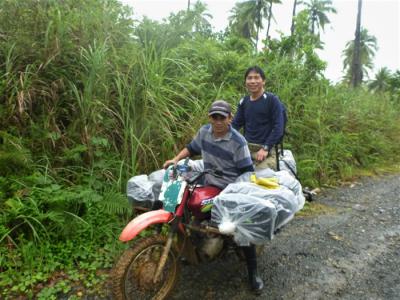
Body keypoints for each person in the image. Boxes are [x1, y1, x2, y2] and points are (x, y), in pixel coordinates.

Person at [163, 100, 264, 293]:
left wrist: (234, 195)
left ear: (230, 118)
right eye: (214, 117)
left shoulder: (238, 142)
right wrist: (175, 160)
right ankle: (189, 248)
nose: (217, 121)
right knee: (187, 203)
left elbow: (246, 173)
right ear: (210, 117)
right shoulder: (204, 132)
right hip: (209, 181)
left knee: (240, 228)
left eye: (222, 117)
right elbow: (191, 149)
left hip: (230, 187)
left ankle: (253, 273)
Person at [232, 66, 286, 170]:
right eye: (249, 78)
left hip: (267, 149)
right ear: (245, 81)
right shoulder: (244, 102)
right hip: (246, 148)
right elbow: (235, 125)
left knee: (258, 179)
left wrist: (266, 148)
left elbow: (279, 127)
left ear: (263, 81)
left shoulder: (272, 100)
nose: (253, 81)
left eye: (256, 78)